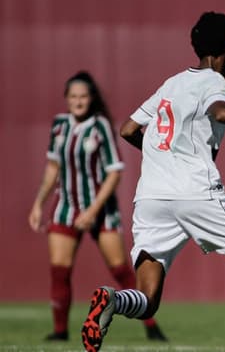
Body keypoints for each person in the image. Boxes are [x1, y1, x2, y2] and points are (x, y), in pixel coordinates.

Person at [80, 11, 225, 352]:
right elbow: (219, 112)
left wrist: (163, 156)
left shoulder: (173, 83)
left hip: (151, 198)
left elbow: (129, 130)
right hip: (194, 192)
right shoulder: (213, 81)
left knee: (147, 300)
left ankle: (113, 301)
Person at [28, 71, 167, 342]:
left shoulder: (100, 125)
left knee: (121, 270)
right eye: (73, 97)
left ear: (91, 99)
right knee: (60, 270)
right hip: (66, 207)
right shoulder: (59, 125)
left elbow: (114, 172)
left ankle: (151, 326)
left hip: (101, 210)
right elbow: (52, 167)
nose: (78, 101)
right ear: (66, 99)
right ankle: (59, 332)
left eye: (83, 96)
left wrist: (92, 211)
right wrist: (38, 204)